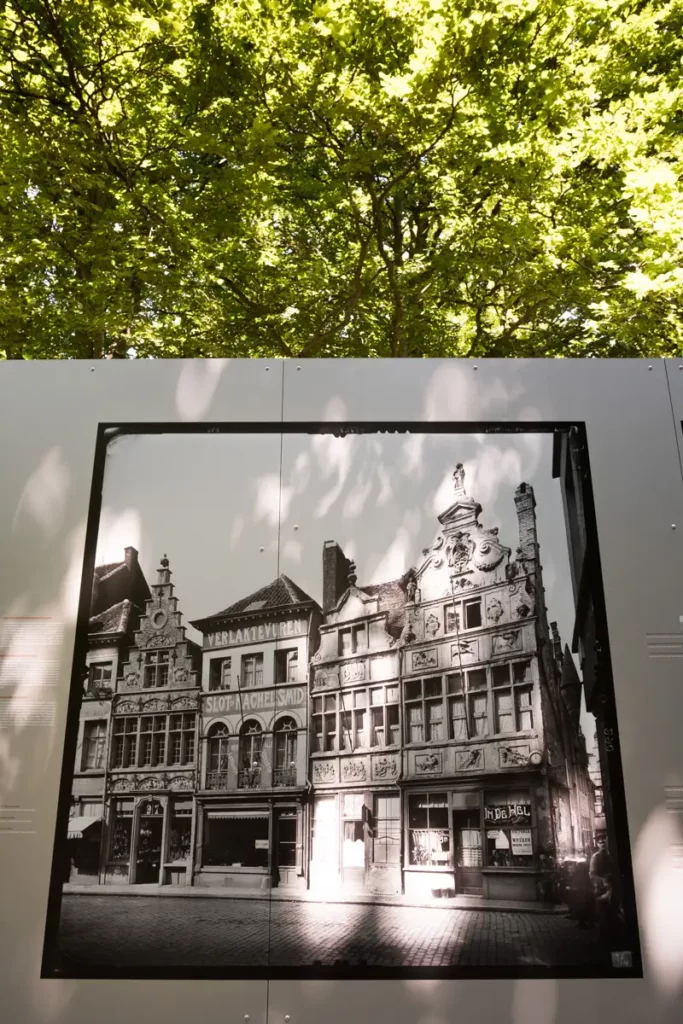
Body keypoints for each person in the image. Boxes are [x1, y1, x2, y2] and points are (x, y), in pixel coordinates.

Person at [590, 838, 615, 939]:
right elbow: (592, 873)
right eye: (600, 842)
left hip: (611, 885)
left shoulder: (609, 856)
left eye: (604, 842)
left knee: (611, 912)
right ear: (597, 844)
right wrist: (601, 881)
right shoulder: (595, 857)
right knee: (601, 911)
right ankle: (602, 934)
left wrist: (610, 877)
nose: (603, 844)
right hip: (601, 887)